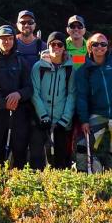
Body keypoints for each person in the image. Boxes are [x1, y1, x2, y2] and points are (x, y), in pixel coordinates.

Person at [76, 32, 112, 170]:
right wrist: (84, 120)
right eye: (95, 44)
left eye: (103, 44)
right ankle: (84, 175)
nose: (99, 47)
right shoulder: (84, 69)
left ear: (107, 46)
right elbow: (81, 96)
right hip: (98, 113)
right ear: (89, 47)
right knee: (84, 146)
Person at [0, 24, 33, 167]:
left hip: (18, 116)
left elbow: (29, 88)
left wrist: (19, 94)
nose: (6, 41)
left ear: (14, 40)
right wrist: (3, 103)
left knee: (19, 155)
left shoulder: (22, 61)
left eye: (9, 38)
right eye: (3, 39)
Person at [32, 32, 77, 169]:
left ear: (64, 48)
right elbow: (34, 93)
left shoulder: (70, 68)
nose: (56, 47)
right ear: (48, 45)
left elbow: (72, 94)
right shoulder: (38, 67)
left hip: (61, 122)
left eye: (59, 44)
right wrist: (43, 116)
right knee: (38, 160)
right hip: (41, 121)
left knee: (60, 161)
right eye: (52, 44)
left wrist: (65, 119)